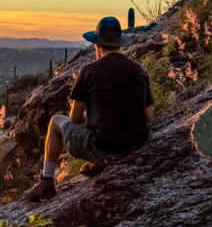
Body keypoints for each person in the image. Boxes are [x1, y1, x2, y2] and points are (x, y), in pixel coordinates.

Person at [23, 16, 155, 202]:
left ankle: (46, 182)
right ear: (119, 44)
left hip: (104, 147)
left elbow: (75, 118)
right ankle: (104, 165)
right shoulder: (139, 70)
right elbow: (148, 116)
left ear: (97, 44)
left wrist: (93, 118)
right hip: (138, 144)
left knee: (56, 121)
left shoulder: (89, 71)